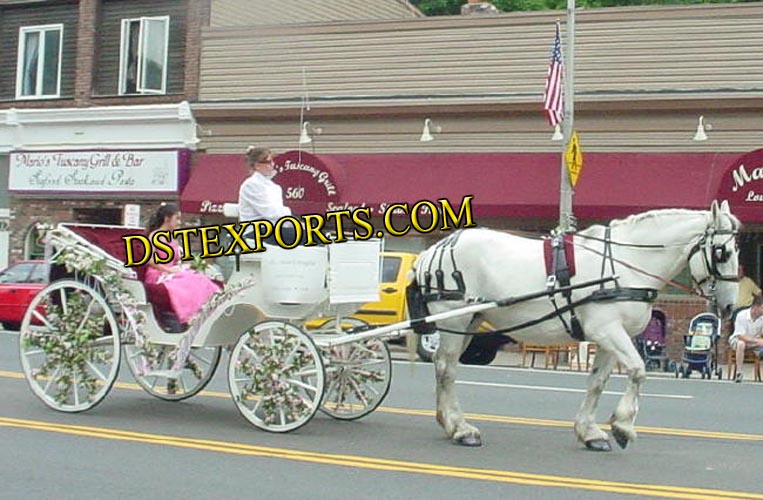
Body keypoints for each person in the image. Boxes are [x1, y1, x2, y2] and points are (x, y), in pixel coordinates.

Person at [143, 203, 222, 331]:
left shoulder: (172, 238)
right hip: (158, 272)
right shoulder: (154, 236)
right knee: (187, 281)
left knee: (198, 277)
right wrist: (168, 269)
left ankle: (204, 309)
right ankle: (187, 314)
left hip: (172, 271)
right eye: (177, 219)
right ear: (167, 219)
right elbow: (150, 260)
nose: (179, 222)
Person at [238, 146, 301, 246]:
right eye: (268, 162)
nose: (272, 164)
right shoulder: (251, 184)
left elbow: (277, 215)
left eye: (272, 161)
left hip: (274, 228)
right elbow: (270, 212)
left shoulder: (273, 186)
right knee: (304, 236)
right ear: (257, 165)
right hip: (256, 231)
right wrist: (289, 214)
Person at [728, 294, 763, 382]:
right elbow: (740, 335)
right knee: (741, 344)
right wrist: (757, 341)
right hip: (738, 340)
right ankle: (739, 373)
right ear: (755, 307)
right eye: (762, 308)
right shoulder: (742, 315)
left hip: (755, 342)